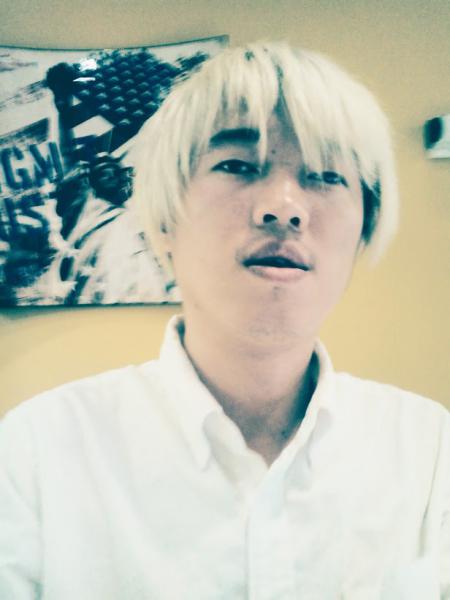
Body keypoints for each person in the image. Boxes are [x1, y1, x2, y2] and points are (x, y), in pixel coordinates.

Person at [0, 42, 448, 599]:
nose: (284, 207)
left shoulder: (430, 451)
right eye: (236, 165)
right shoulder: (35, 452)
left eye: (328, 174)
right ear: (165, 221)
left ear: (363, 230)